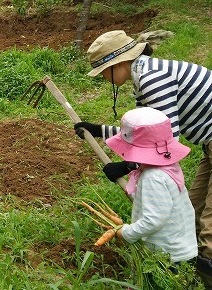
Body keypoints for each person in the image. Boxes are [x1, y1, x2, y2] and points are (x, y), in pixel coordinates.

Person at [72, 30, 212, 287]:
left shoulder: (152, 80)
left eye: (103, 70)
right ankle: (182, 269)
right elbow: (143, 133)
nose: (103, 78)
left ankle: (199, 278)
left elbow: (166, 141)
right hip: (208, 142)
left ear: (119, 63)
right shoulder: (143, 75)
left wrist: (127, 166)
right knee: (193, 208)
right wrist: (99, 130)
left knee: (209, 228)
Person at [105, 107, 197, 268]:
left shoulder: (152, 177)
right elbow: (156, 203)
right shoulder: (169, 167)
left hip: (167, 256)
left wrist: (127, 233)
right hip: (181, 247)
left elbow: (154, 219)